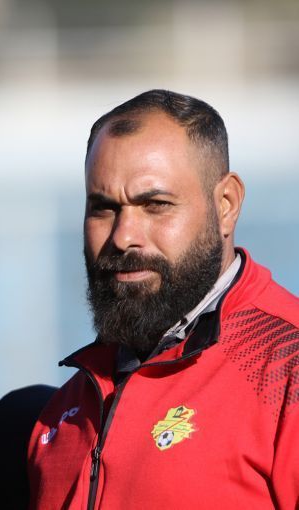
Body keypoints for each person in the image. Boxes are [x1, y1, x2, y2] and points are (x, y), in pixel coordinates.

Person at [28, 89, 299, 509]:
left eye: (155, 204)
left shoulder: (286, 365)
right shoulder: (63, 413)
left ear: (226, 205)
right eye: (103, 208)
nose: (123, 237)